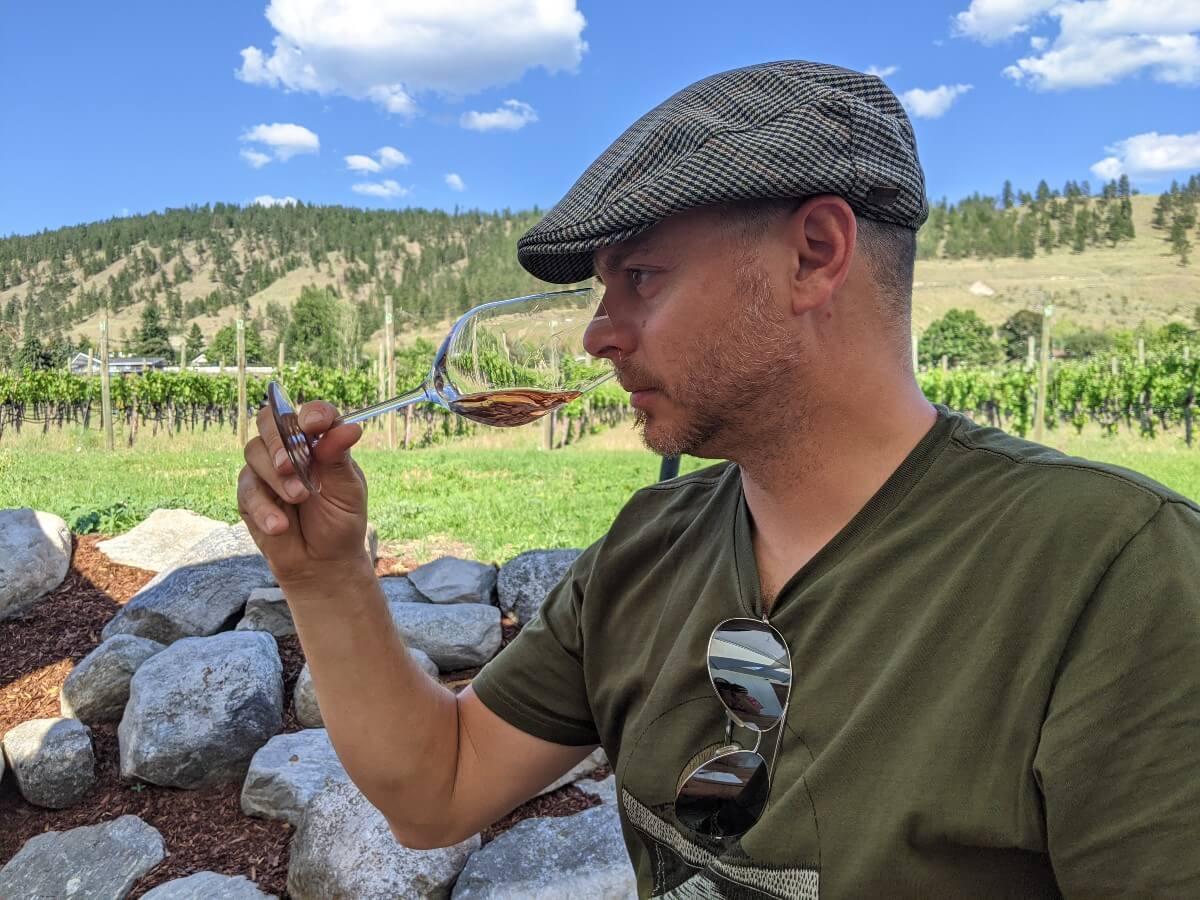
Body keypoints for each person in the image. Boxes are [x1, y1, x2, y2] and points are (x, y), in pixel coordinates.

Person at [238, 60, 1200, 898]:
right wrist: (323, 576)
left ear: (814, 254)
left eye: (641, 277)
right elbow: (438, 787)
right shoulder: (650, 547)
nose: (596, 333)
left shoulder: (1115, 575)